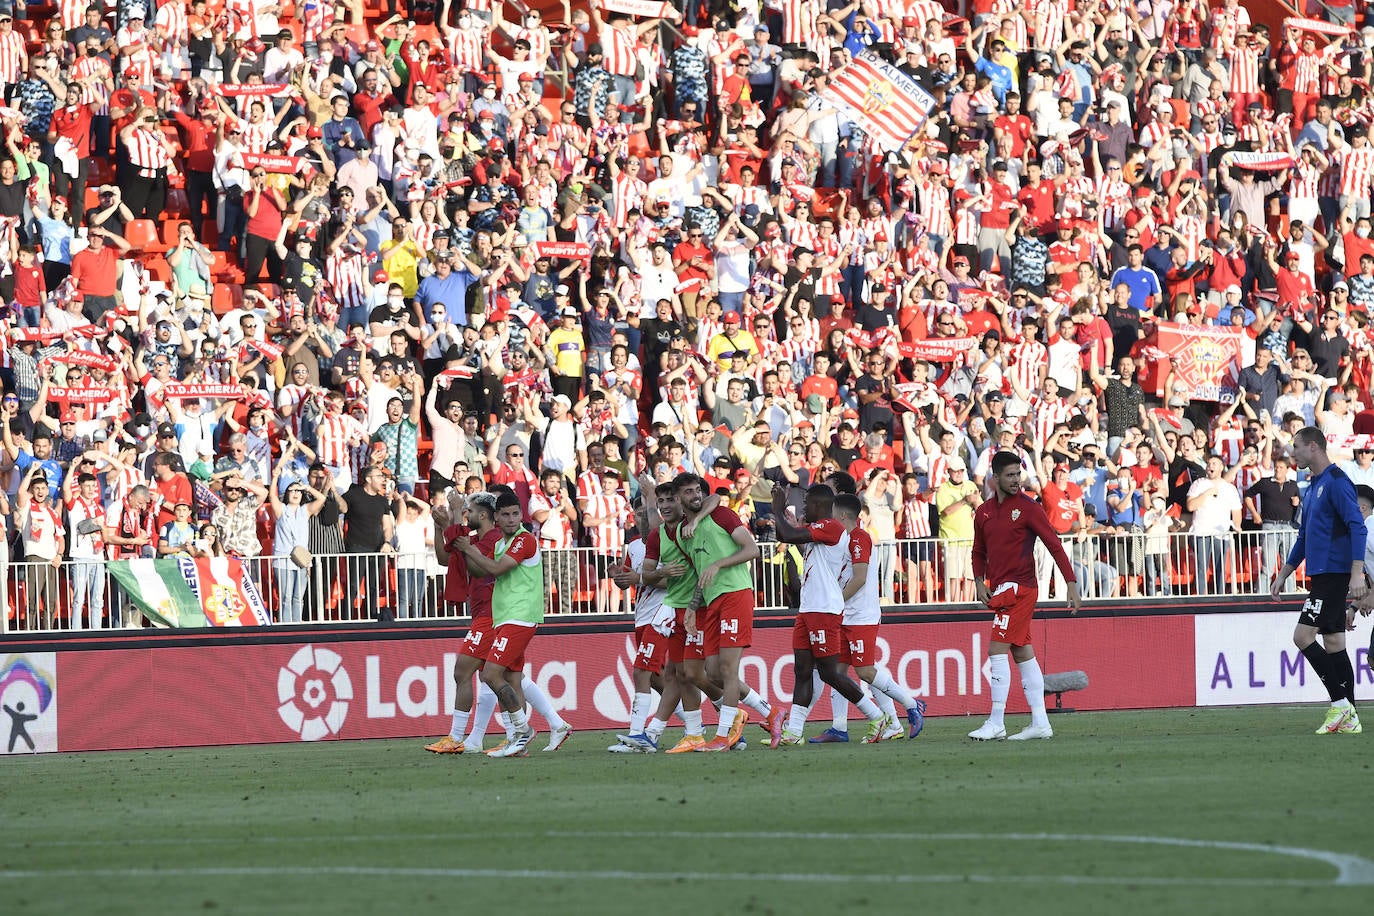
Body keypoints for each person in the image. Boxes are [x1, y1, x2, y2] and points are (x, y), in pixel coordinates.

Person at [968, 451, 1082, 741]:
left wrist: (1070, 581)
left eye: (1018, 474)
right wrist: (979, 580)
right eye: (1010, 475)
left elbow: (1054, 544)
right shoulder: (983, 512)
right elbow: (978, 551)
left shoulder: (1029, 508)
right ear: (995, 478)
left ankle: (996, 722)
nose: (1016, 480)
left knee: (996, 651)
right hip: (1002, 588)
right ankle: (1040, 722)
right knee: (1022, 653)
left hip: (1020, 588)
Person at [767, 483, 889, 747]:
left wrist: (777, 509)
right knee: (802, 670)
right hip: (809, 608)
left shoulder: (831, 526)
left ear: (820, 506)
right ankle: (794, 731)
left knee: (830, 673)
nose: (803, 507)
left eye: (807, 502)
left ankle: (877, 716)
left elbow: (788, 535)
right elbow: (786, 535)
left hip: (824, 609)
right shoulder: (820, 531)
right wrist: (785, 521)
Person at [1270, 427, 1367, 735]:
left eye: (1295, 447)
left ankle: (1339, 703)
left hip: (1334, 575)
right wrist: (1284, 574)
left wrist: (1356, 573)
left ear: (1313, 447)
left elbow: (1358, 527)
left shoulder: (1337, 482)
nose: (1291, 453)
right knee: (1335, 643)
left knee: (1302, 637)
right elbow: (1303, 537)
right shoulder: (1312, 487)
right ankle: (1350, 715)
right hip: (1322, 575)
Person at [452, 491, 548, 758]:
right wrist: (467, 551)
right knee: (512, 678)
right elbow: (481, 571)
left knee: (490, 675)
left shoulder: (524, 541)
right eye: (505, 515)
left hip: (520, 616)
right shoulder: (500, 545)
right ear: (496, 517)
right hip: (505, 617)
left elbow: (495, 570)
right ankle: (520, 740)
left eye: (515, 514)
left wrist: (468, 548)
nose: (511, 519)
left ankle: (522, 730)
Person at [607, 487, 684, 753]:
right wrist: (619, 576)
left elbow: (672, 579)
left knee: (641, 671)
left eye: (646, 511)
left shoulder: (666, 541)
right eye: (638, 511)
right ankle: (699, 726)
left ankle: (638, 735)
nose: (641, 515)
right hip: (641, 616)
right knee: (657, 679)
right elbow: (629, 582)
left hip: (661, 614)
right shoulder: (634, 546)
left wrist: (639, 578)